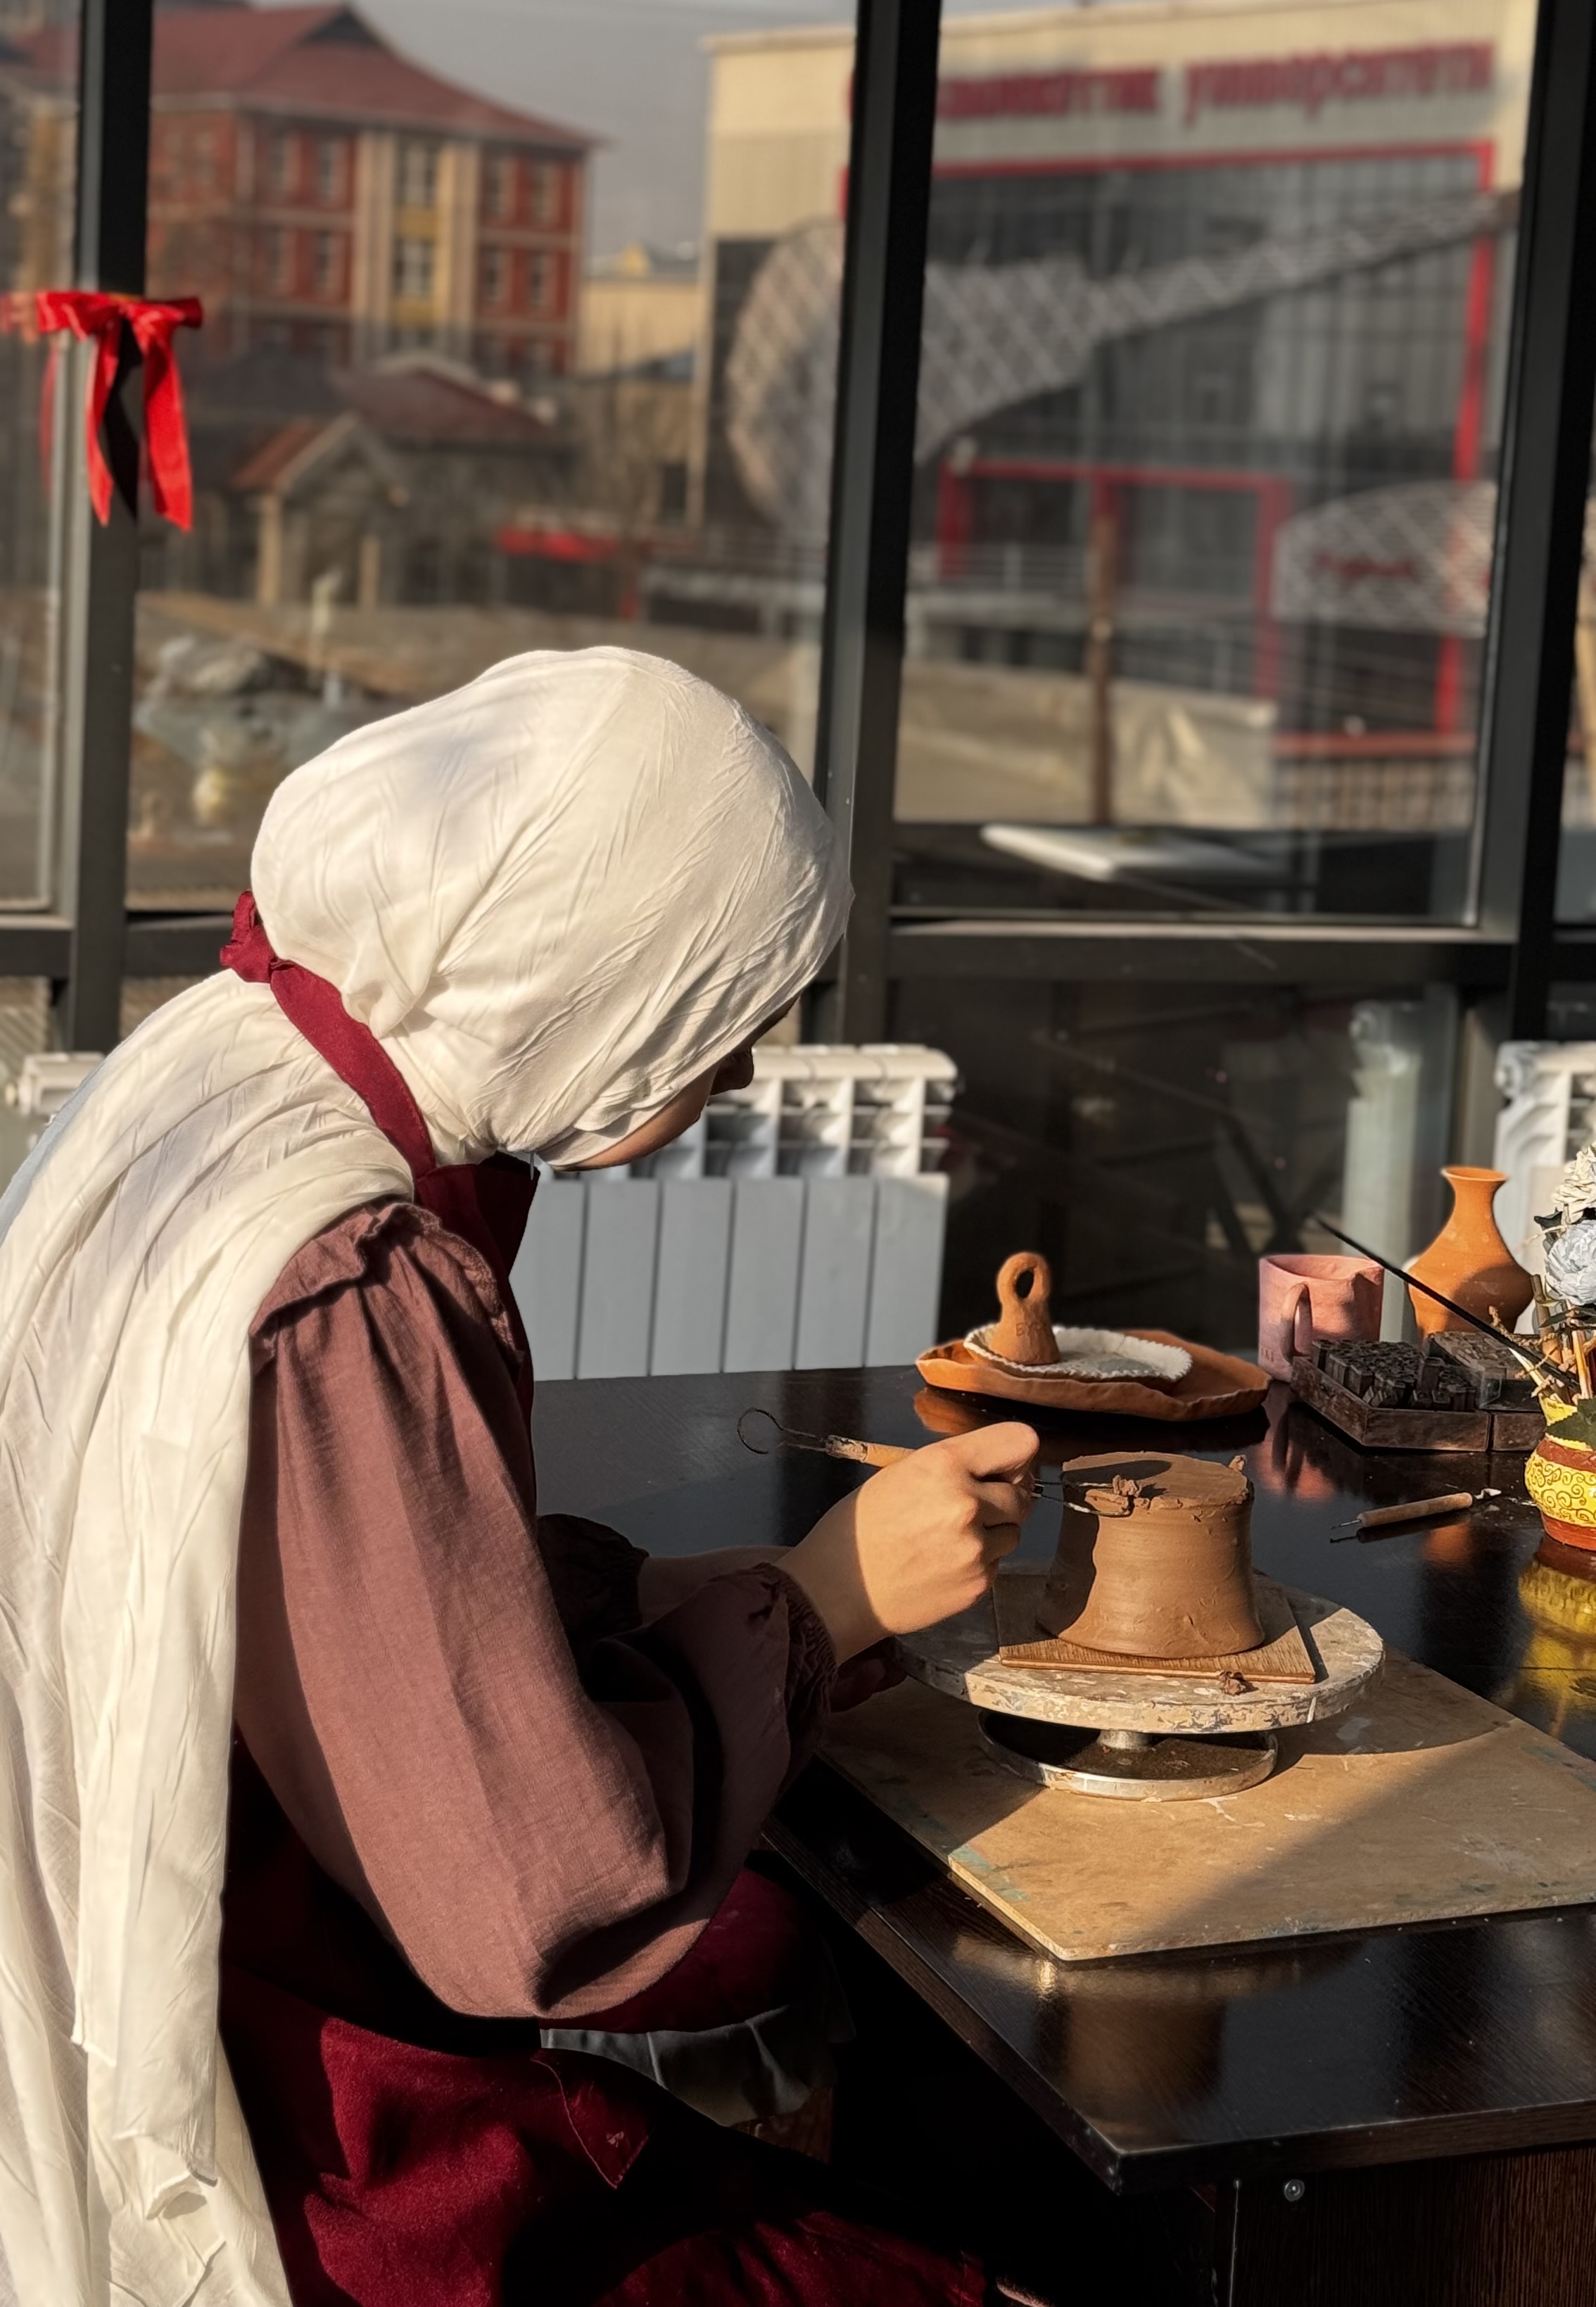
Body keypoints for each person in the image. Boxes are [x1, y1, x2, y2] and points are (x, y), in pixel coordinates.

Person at [0, 647, 1039, 2307]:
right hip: (318, 2142)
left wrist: (636, 1592)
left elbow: (297, 1593)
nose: (742, 1076)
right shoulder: (351, 1279)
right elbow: (529, 1900)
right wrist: (828, 1597)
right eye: (717, 1019)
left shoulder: (216, 1072)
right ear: (590, 972)